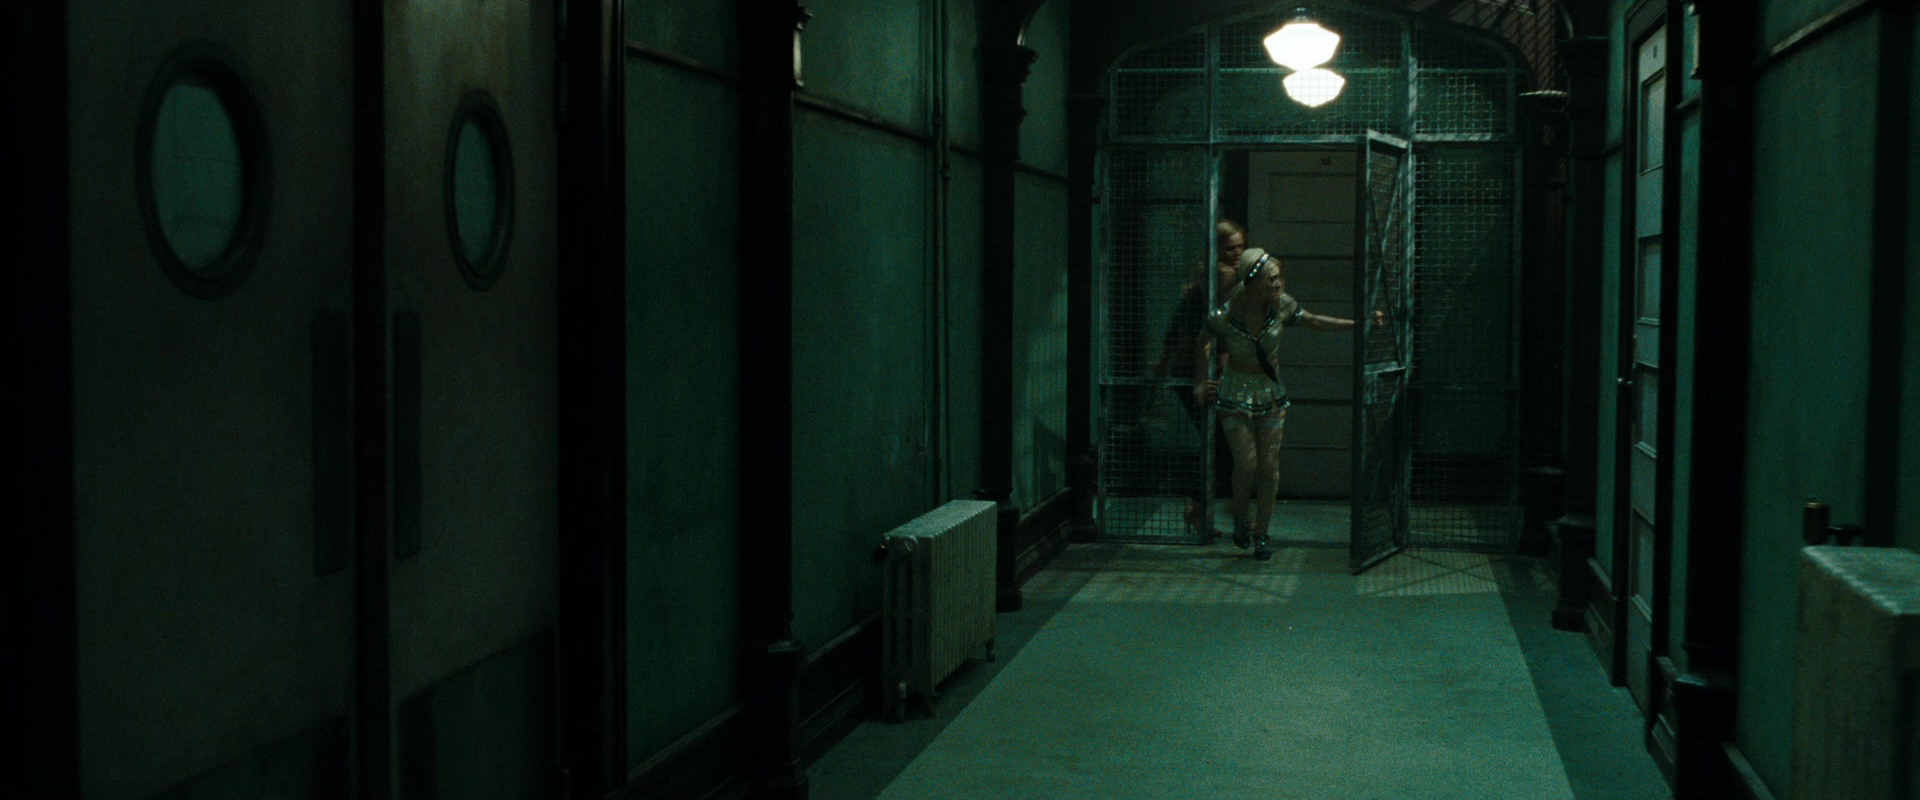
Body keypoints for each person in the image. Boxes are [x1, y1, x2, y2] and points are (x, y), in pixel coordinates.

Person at [1195, 247, 1381, 560]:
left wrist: (1359, 323)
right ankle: (1241, 519)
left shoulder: (1281, 305)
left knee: (1269, 466)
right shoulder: (1227, 315)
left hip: (1270, 391)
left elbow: (1315, 322)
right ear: (1252, 282)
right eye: (1271, 279)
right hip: (1236, 391)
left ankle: (1262, 533)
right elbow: (1202, 340)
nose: (1278, 283)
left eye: (1279, 277)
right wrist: (1201, 381)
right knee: (1246, 464)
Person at [1153, 220, 1247, 537]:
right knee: (1219, 442)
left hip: (1202, 372)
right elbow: (1204, 334)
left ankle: (1199, 510)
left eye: (1241, 246)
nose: (1237, 253)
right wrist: (1200, 376)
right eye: (1230, 248)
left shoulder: (1215, 279)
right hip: (1198, 373)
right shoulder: (1220, 278)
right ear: (1217, 249)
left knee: (1218, 442)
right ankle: (1198, 509)